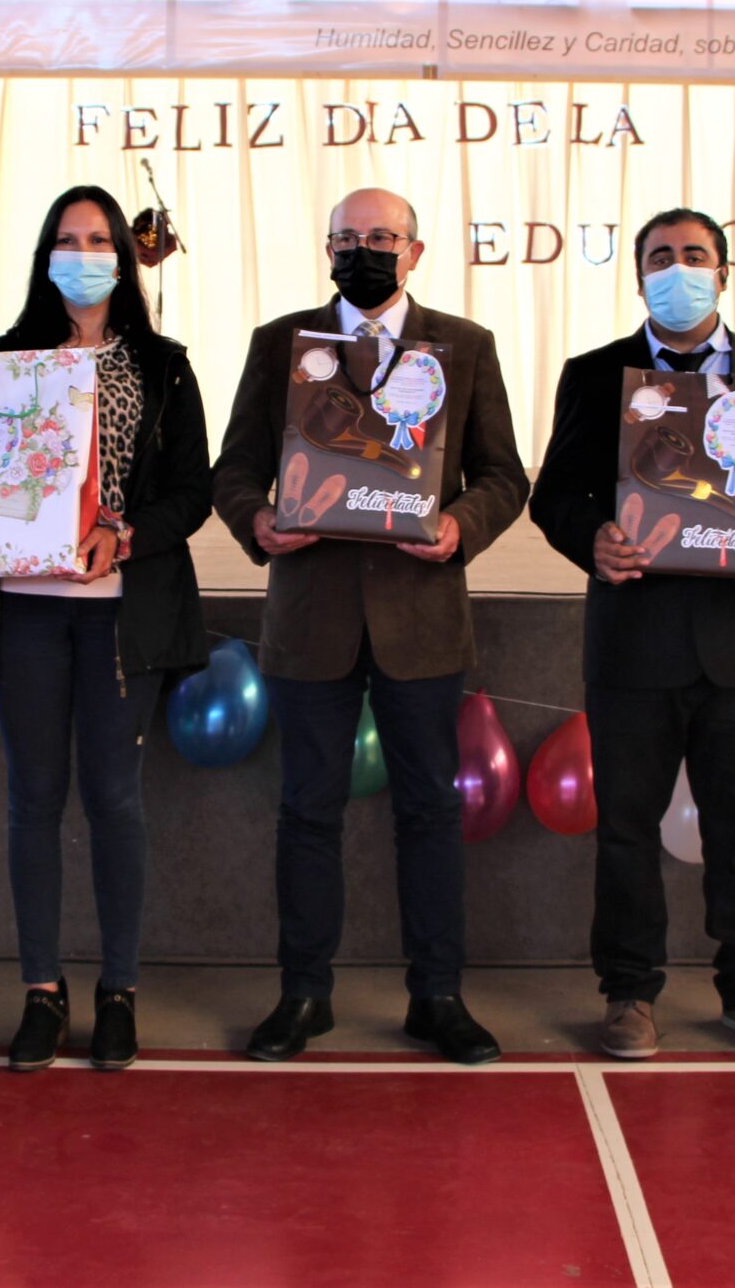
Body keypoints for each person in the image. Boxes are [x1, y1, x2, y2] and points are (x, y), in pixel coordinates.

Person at [211, 188, 529, 1064]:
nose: (364, 250)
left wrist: (462, 524)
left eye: (382, 236)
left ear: (414, 251)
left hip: (420, 618)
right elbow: (233, 470)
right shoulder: (281, 344)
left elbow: (504, 475)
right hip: (310, 616)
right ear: (327, 250)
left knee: (430, 811)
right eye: (347, 237)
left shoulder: (464, 346)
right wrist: (257, 521)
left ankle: (438, 994)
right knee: (306, 811)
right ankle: (303, 993)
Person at [527, 209, 735, 1059]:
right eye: (660, 257)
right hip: (633, 642)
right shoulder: (595, 374)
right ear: (639, 278)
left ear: (723, 272)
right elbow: (554, 495)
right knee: (626, 830)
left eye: (694, 255)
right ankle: (629, 992)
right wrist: (591, 538)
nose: (678, 270)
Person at [0, 186, 213, 1073]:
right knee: (32, 799)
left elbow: (192, 493)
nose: (82, 254)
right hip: (23, 606)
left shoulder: (164, 366)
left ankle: (118, 989)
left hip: (121, 612)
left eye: (97, 240)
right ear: (44, 255)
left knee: (116, 799)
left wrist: (124, 535)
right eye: (66, 238)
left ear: (122, 258)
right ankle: (42, 990)